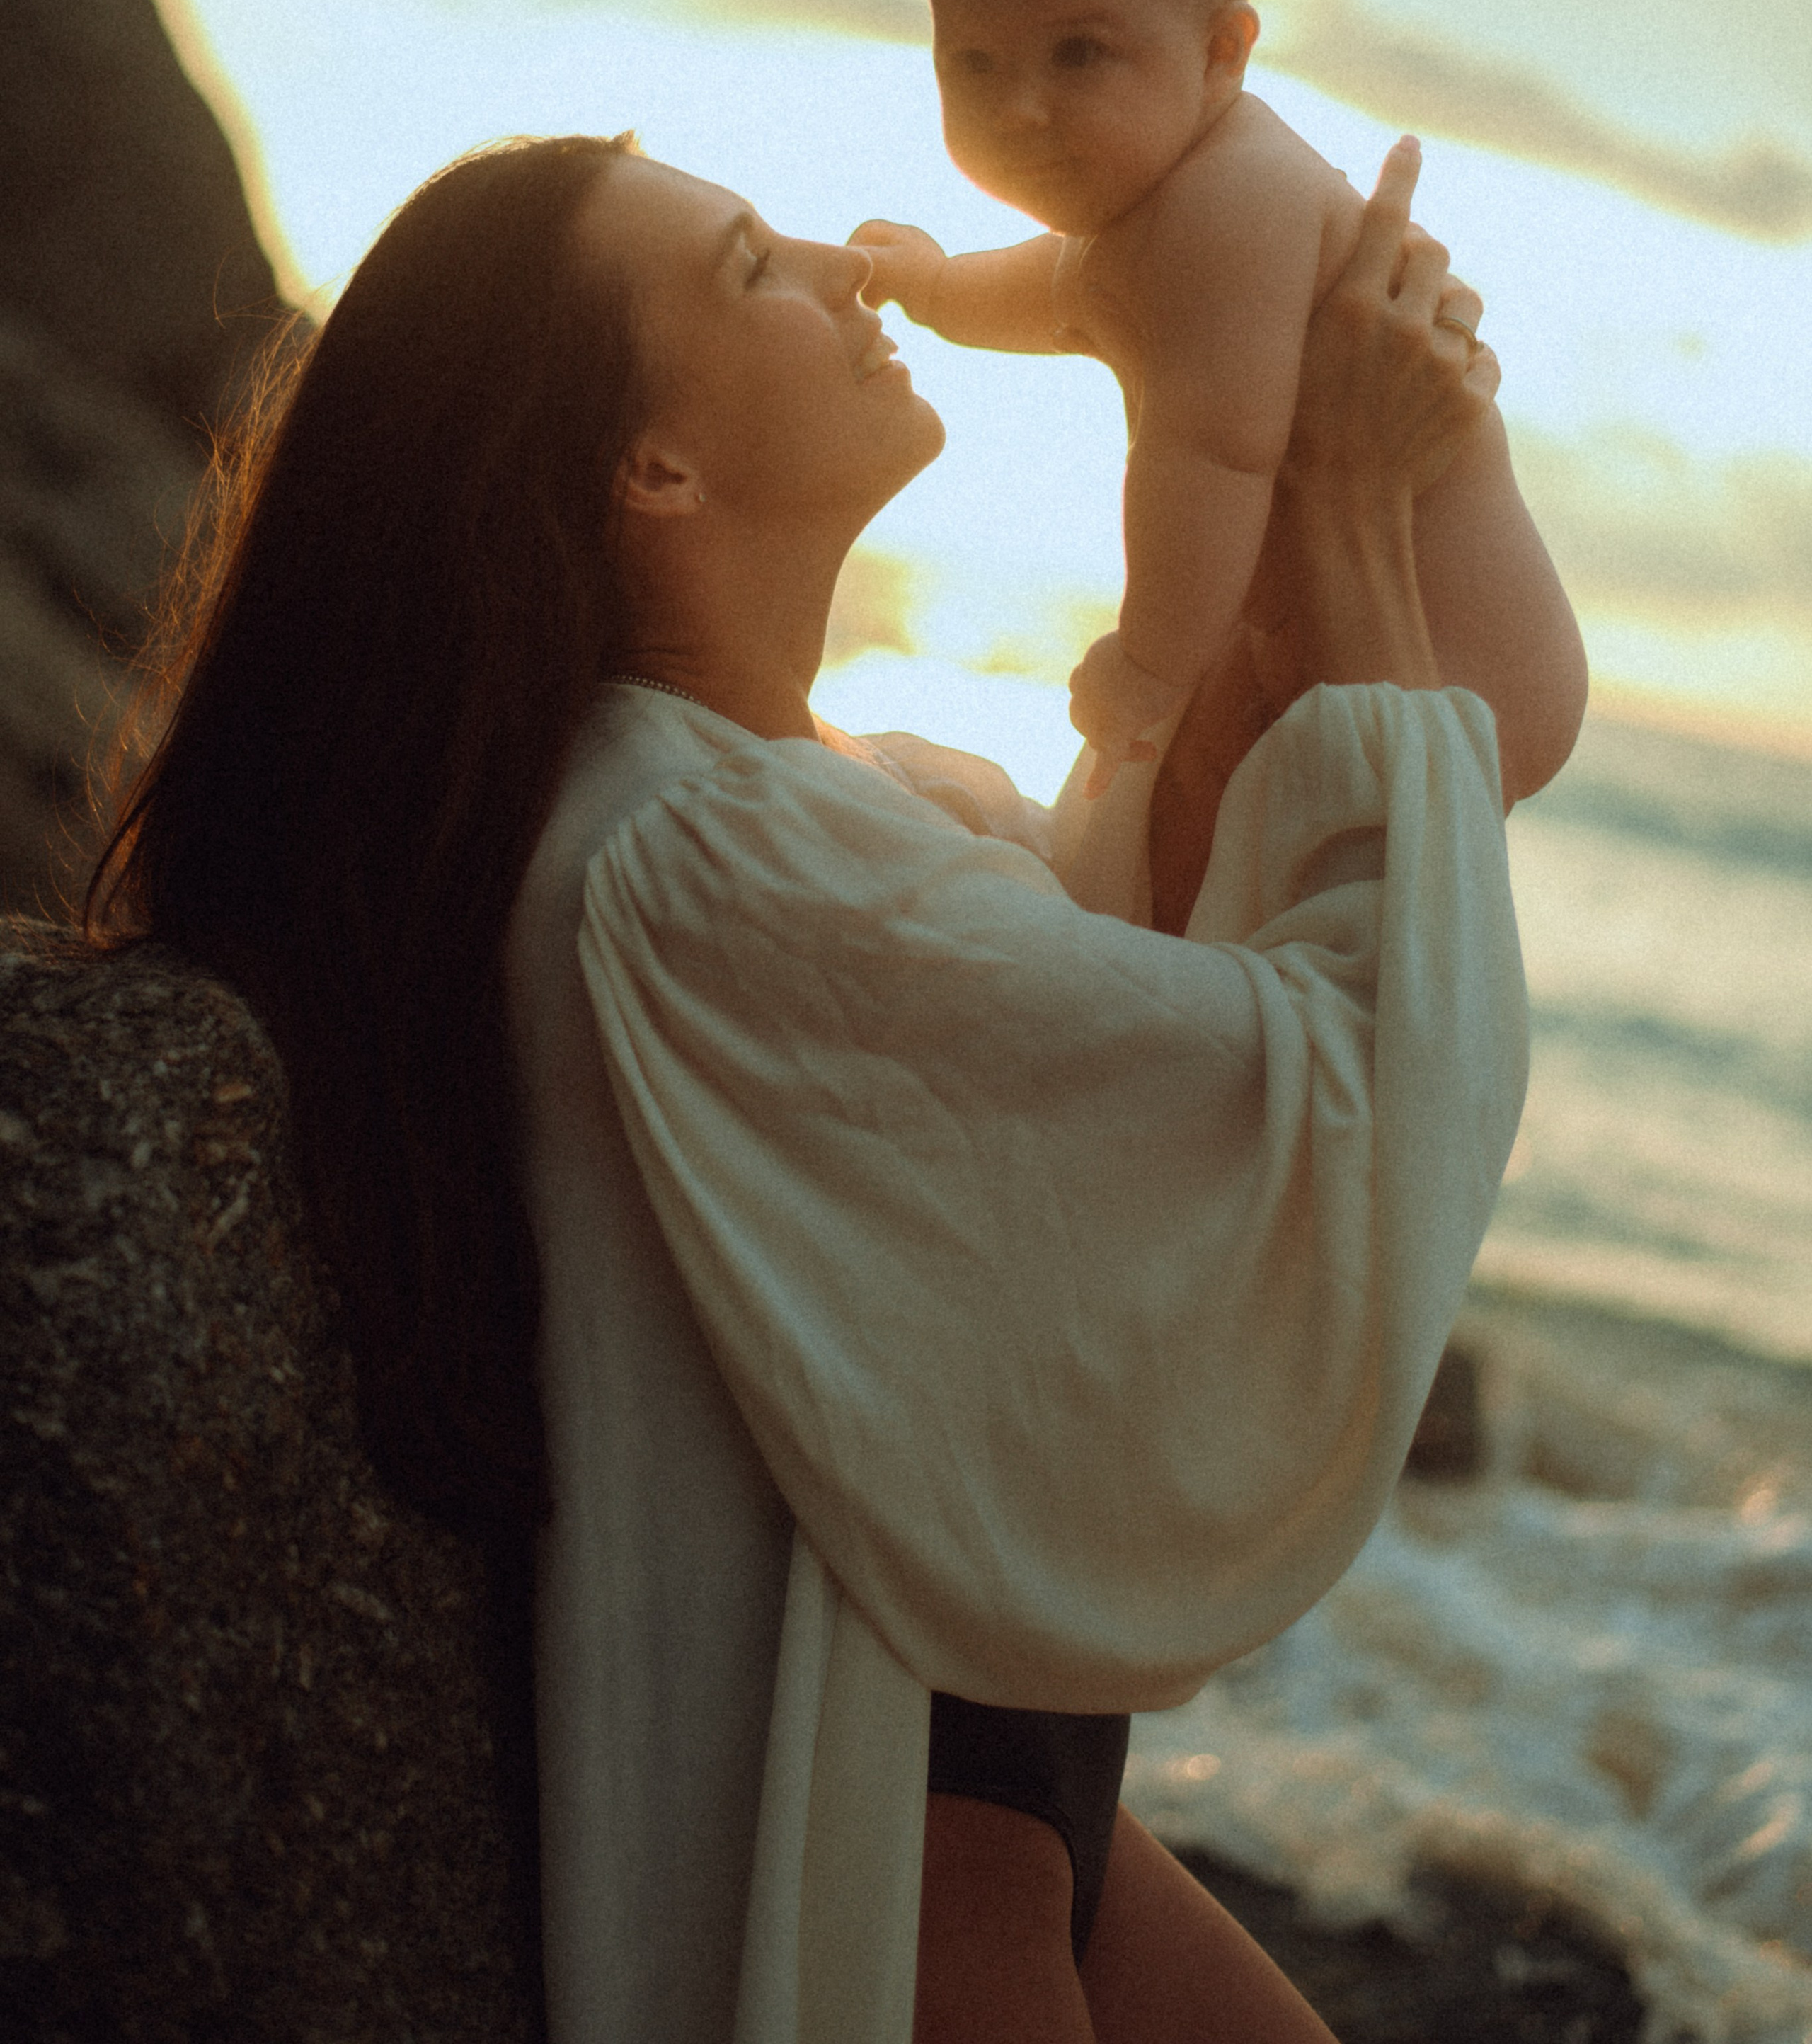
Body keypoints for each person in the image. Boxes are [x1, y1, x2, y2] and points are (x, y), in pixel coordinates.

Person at [88, 125, 1529, 2044]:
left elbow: (1095, 991)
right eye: (755, 267)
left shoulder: (744, 815)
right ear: (653, 469)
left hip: (990, 1790)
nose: (853, 270)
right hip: (910, 1849)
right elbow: (1320, 1110)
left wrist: (1257, 470)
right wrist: (1344, 508)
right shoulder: (702, 863)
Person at [856, 0, 1587, 808]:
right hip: (1331, 645)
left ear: (1221, 53)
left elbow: (1211, 451)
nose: (1020, 109)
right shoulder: (1151, 212)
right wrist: (938, 287)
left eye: (1079, 52)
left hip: (1461, 668)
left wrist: (1152, 662)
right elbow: (1064, 290)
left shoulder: (1233, 204)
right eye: (972, 63)